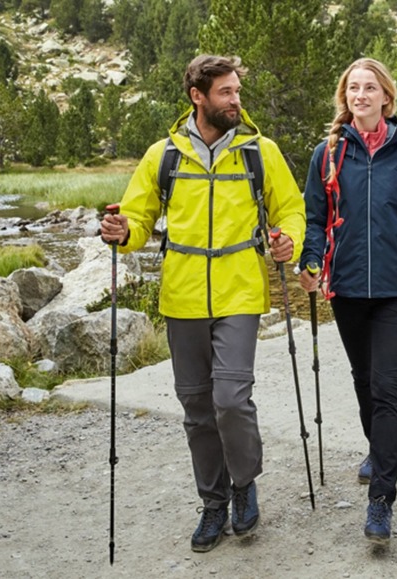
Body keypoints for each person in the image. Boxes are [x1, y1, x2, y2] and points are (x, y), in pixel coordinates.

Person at [101, 54, 305, 553]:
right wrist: (123, 232)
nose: (236, 100)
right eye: (226, 93)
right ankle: (213, 503)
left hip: (239, 292)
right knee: (196, 407)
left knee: (231, 400)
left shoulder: (260, 152)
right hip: (182, 296)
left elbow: (291, 210)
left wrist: (288, 243)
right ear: (198, 95)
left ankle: (243, 484)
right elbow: (137, 220)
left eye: (238, 91)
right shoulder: (163, 156)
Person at [297, 58, 397, 544]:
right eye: (353, 88)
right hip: (349, 289)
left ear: (386, 96)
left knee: (386, 388)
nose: (361, 95)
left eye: (370, 87)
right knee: (364, 381)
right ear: (346, 97)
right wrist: (311, 263)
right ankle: (377, 450)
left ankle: (381, 498)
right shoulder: (329, 154)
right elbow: (315, 220)